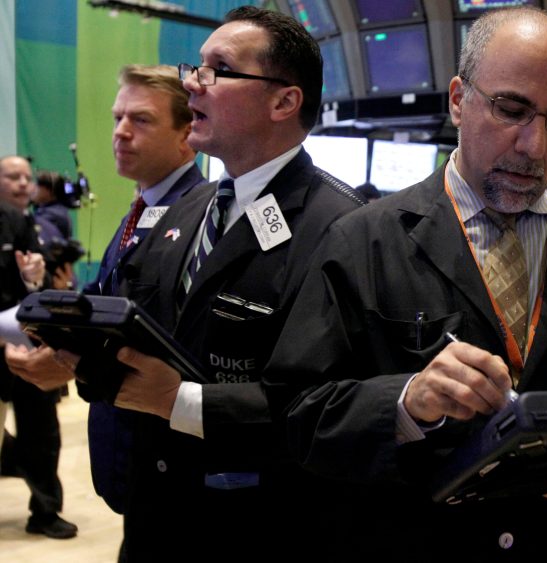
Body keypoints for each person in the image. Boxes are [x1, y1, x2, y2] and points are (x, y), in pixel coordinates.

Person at [262, 7, 547, 562]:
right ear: (457, 100)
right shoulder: (362, 242)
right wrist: (405, 401)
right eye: (511, 110)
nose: (533, 146)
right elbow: (297, 412)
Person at [41, 7, 364, 561]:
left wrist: (182, 401)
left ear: (284, 101)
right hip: (154, 515)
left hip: (257, 530)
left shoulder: (345, 227)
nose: (193, 81)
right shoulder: (185, 208)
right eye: (198, 66)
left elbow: (333, 407)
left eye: (220, 69)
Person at [6, 64, 206, 523]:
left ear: (187, 133)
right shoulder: (143, 209)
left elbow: (163, 340)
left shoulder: (197, 216)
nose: (120, 132)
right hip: (131, 452)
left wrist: (68, 365)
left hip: (167, 458)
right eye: (118, 118)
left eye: (141, 120)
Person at [0, 156, 69, 539]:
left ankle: (45, 512)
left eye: (28, 177)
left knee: (42, 432)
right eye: (13, 176)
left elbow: (36, 289)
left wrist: (34, 280)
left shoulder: (25, 222)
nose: (23, 183)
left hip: (23, 343)